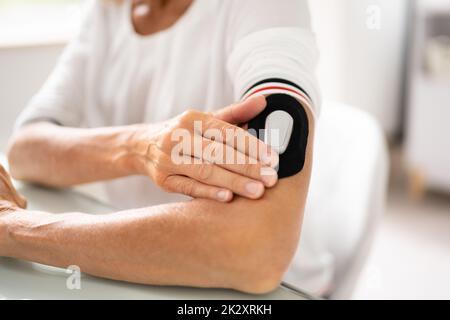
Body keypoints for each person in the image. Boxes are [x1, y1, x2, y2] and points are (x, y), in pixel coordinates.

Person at [3, 0, 324, 294]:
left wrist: (14, 228)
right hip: (140, 274)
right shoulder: (109, 11)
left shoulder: (264, 8)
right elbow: (25, 151)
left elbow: (257, 250)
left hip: (278, 290)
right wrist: (139, 146)